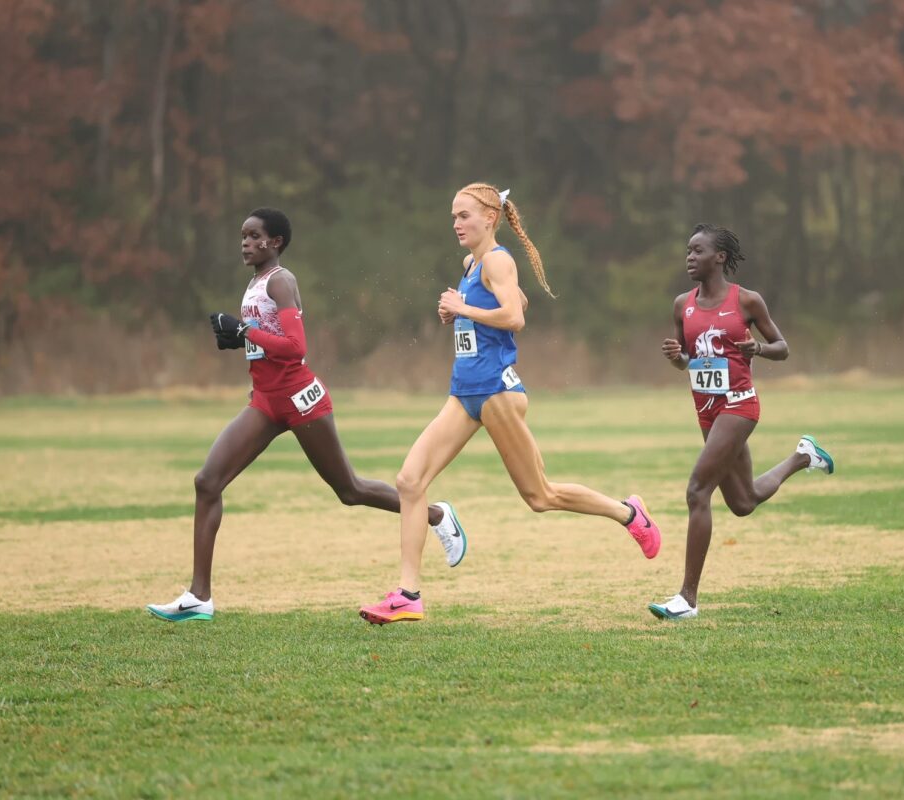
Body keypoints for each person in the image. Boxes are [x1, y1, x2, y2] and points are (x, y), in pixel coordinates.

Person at [358, 184, 662, 625]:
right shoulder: (473, 264)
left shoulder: (498, 258)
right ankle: (408, 595)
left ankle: (629, 513)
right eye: (453, 217)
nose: (457, 224)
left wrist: (465, 308)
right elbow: (517, 300)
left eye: (464, 216)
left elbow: (514, 319)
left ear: (489, 218)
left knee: (540, 495)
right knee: (409, 480)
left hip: (497, 393)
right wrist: (460, 313)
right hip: (464, 392)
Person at [147, 208, 465, 622]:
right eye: (243, 236)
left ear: (275, 242)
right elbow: (269, 341)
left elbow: (296, 348)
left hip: (300, 398)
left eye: (254, 236)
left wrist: (244, 332)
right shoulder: (256, 282)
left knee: (350, 490)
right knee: (207, 481)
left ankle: (437, 515)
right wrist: (239, 341)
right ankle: (199, 597)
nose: (245, 242)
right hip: (265, 400)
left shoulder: (282, 280)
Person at [648, 223, 834, 621]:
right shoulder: (683, 305)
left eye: (697, 251)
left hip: (739, 405)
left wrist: (758, 349)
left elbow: (783, 348)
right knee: (743, 502)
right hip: (706, 410)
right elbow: (688, 360)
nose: (689, 257)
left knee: (698, 491)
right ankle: (803, 456)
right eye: (687, 251)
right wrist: (675, 357)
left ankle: (687, 600)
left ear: (719, 257)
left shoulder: (747, 301)